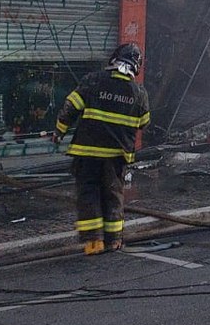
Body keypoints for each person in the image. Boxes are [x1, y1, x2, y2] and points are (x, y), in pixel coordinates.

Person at [55, 43, 152, 255]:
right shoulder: (139, 93)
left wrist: (59, 131)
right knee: (113, 195)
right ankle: (114, 241)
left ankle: (93, 242)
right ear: (136, 67)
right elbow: (144, 122)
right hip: (117, 156)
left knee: (88, 193)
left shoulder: (93, 81)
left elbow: (70, 108)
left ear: (114, 59)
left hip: (87, 152)